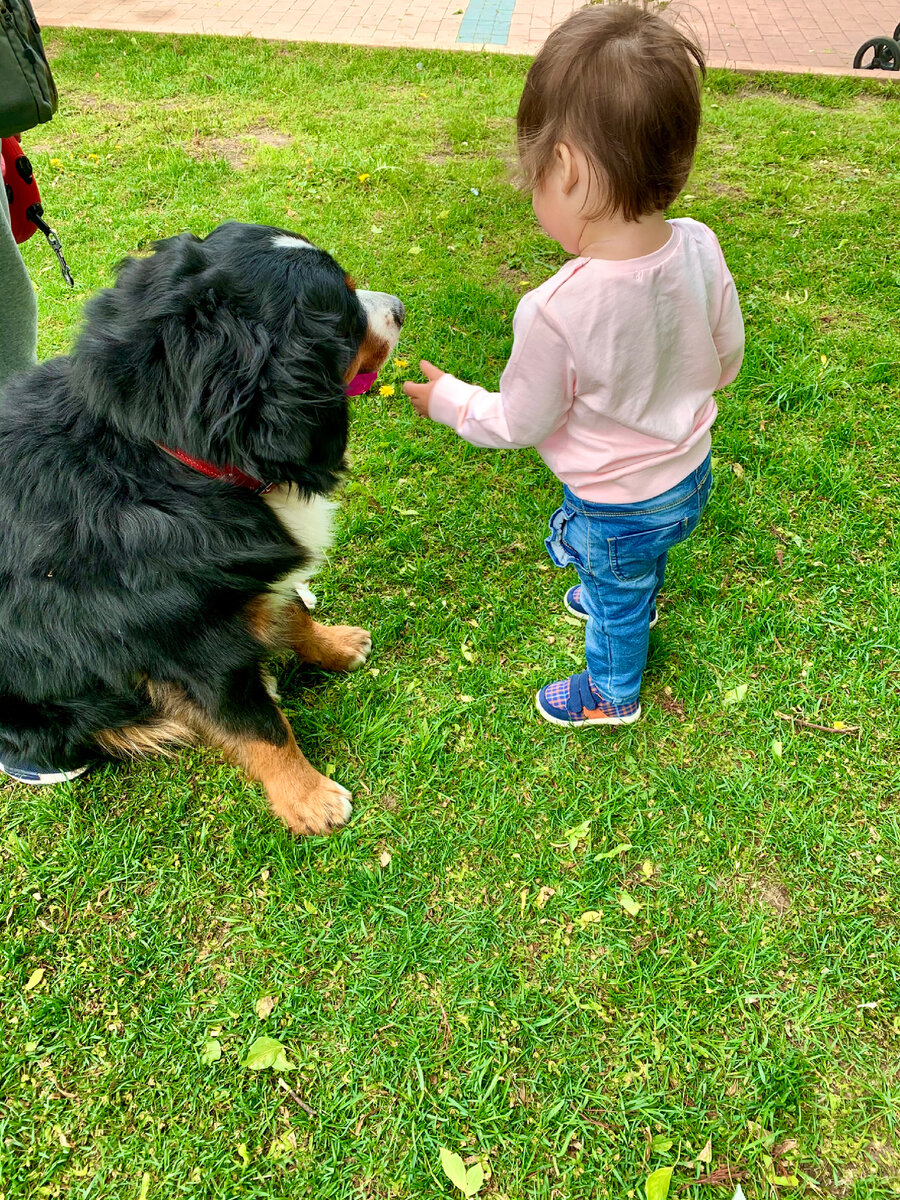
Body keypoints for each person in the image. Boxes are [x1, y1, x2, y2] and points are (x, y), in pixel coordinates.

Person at [403, 3, 744, 728]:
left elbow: (522, 420)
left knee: (615, 596)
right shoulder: (700, 244)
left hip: (616, 508)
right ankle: (627, 588)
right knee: (634, 565)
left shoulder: (556, 309)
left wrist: (452, 401)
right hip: (690, 475)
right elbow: (725, 359)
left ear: (568, 170)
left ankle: (611, 694)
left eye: (534, 176)